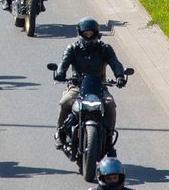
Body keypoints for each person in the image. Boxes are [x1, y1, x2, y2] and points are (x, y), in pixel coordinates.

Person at [53, 17, 128, 155]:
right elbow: (63, 63)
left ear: (96, 34)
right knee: (65, 102)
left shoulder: (105, 49)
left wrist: (120, 76)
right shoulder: (72, 48)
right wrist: (60, 73)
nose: (88, 36)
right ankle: (60, 132)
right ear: (80, 34)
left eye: (91, 34)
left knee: (110, 105)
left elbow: (115, 63)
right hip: (77, 87)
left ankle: (108, 138)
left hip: (99, 87)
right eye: (86, 34)